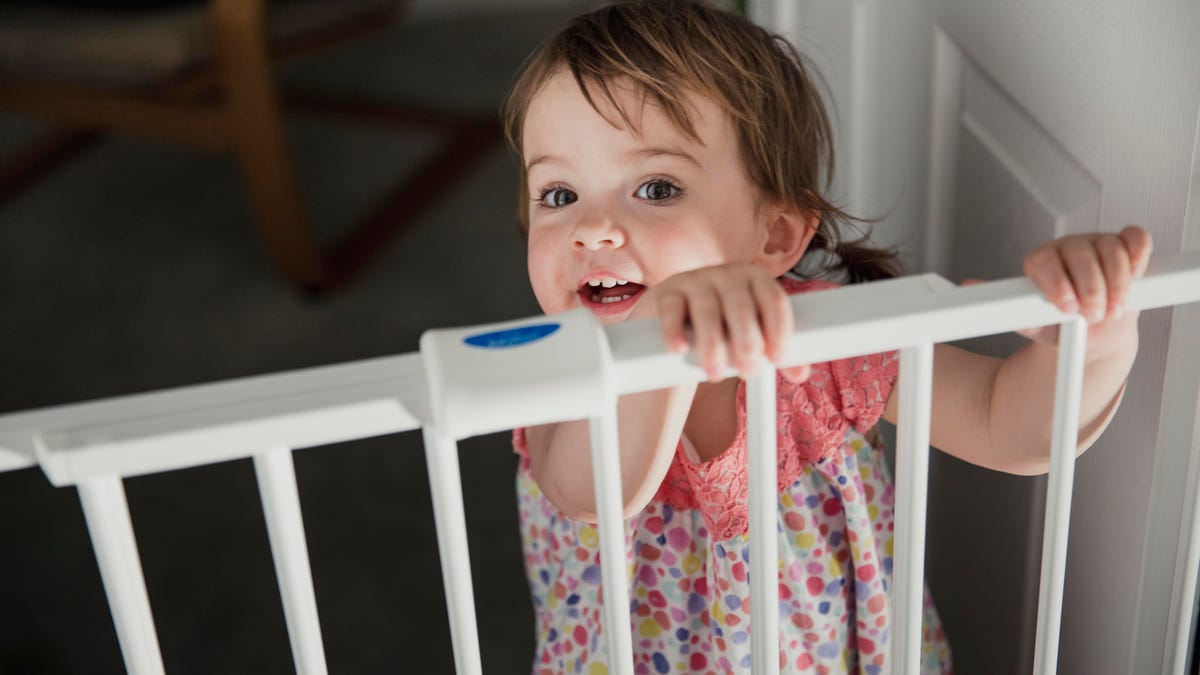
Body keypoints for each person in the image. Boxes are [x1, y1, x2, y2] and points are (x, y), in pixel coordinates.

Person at [500, 1, 1151, 673]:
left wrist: (1093, 339)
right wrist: (654, 331)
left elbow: (1003, 421)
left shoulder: (823, 341)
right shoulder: (556, 361)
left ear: (776, 235)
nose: (591, 228)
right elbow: (589, 492)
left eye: (656, 186)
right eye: (558, 195)